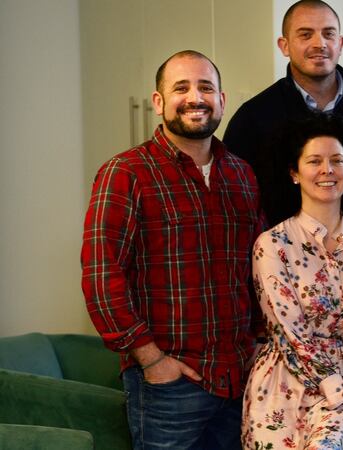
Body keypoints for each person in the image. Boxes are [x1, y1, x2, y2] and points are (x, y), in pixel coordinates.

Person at [81, 50, 261, 449]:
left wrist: (259, 345)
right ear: (159, 102)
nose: (195, 97)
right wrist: (151, 359)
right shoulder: (127, 173)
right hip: (168, 385)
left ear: (222, 100)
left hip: (241, 378)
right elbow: (101, 276)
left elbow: (257, 272)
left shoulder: (242, 174)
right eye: (181, 87)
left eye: (206, 88)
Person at [241, 113, 343, 450]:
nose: (327, 170)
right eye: (314, 161)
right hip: (283, 390)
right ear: (294, 172)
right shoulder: (272, 245)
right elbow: (291, 336)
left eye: (337, 161)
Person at [223, 0, 343, 286]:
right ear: (284, 45)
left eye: (328, 34)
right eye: (305, 34)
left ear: (340, 42)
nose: (319, 43)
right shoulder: (255, 116)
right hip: (285, 281)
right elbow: (236, 210)